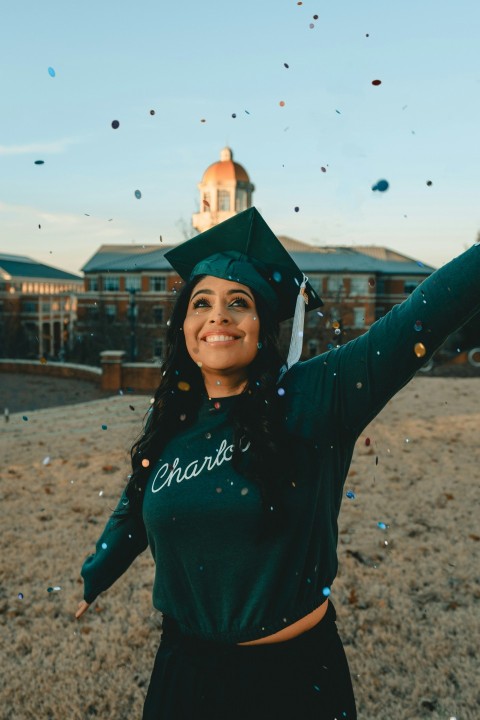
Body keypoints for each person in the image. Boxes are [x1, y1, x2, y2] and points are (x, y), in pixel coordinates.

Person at [75, 207, 480, 719]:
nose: (218, 315)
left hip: (293, 681)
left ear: (263, 324)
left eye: (238, 302)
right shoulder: (173, 417)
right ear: (184, 327)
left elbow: (422, 316)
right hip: (184, 673)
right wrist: (98, 572)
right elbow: (135, 505)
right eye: (202, 303)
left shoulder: (318, 396)